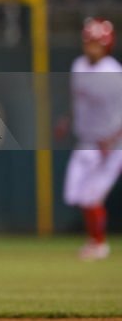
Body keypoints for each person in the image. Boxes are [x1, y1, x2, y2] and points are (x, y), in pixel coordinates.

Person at [58, 17, 122, 260]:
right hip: (87, 142)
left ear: (107, 44)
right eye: (87, 42)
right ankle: (94, 240)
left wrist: (114, 139)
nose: (90, 47)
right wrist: (67, 120)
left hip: (112, 145)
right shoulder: (79, 66)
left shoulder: (114, 73)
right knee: (78, 193)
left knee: (92, 195)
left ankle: (99, 244)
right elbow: (79, 101)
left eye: (95, 43)